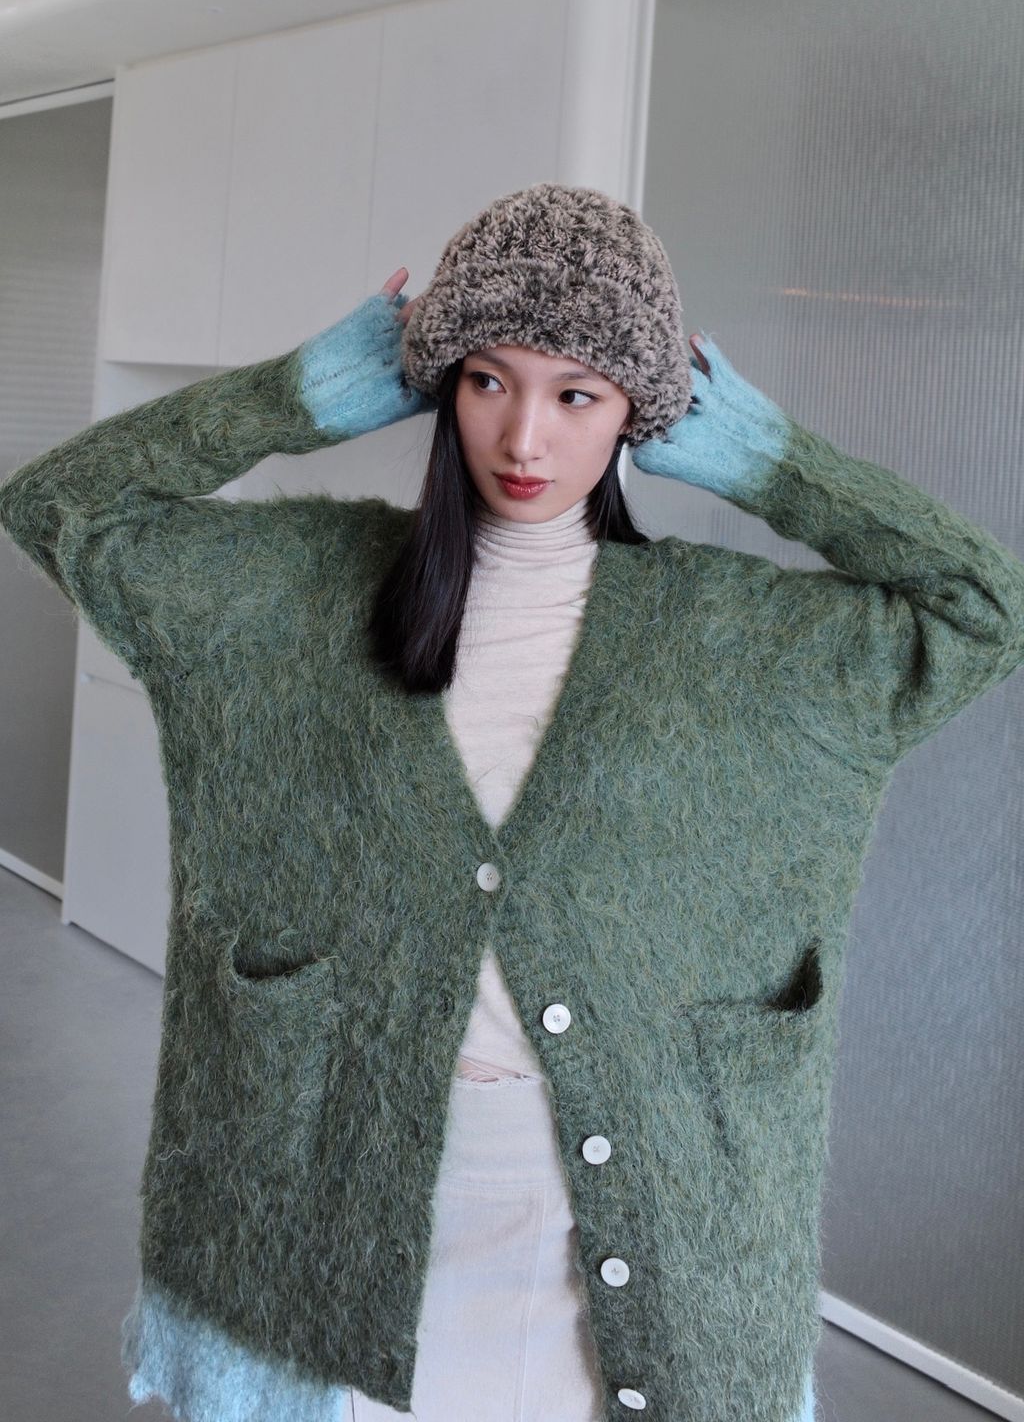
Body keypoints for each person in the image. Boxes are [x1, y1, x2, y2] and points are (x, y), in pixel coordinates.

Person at [1, 182, 1022, 1422]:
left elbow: (983, 609)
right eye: (488, 381)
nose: (524, 438)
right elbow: (58, 505)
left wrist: (770, 464)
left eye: (577, 394)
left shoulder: (748, 641)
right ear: (442, 389)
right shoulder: (289, 591)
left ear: (639, 411)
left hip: (628, 1223)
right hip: (332, 1206)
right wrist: (291, 397)